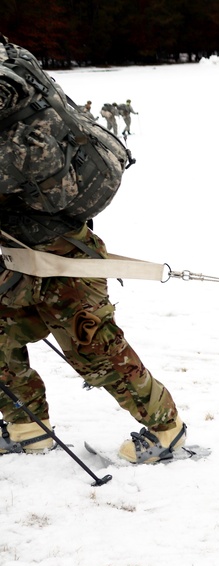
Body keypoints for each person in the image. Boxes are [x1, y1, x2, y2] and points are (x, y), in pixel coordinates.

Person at [0, 59, 186, 463]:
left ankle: (166, 430)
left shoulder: (14, 119)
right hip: (19, 252)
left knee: (96, 350)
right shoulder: (16, 84)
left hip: (62, 255)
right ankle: (26, 425)